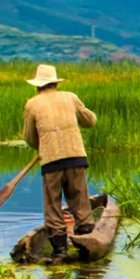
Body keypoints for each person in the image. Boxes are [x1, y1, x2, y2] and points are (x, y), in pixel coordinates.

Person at [22, 64, 97, 259]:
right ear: (55, 83)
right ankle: (86, 238)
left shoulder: (32, 104)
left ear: (38, 86)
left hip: (51, 161)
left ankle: (60, 249)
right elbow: (90, 121)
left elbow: (29, 137)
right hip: (76, 156)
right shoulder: (70, 97)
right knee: (79, 199)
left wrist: (41, 146)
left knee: (52, 204)